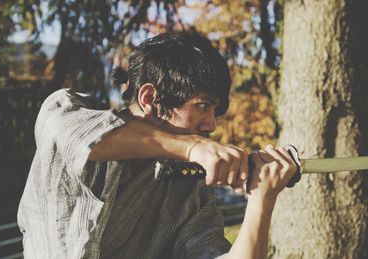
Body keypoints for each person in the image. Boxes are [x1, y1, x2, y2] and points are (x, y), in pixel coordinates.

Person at [17, 32, 297, 259]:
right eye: (202, 106)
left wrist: (262, 199)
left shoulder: (190, 191)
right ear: (150, 97)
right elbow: (85, 141)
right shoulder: (64, 111)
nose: (212, 125)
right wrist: (189, 147)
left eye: (215, 111)